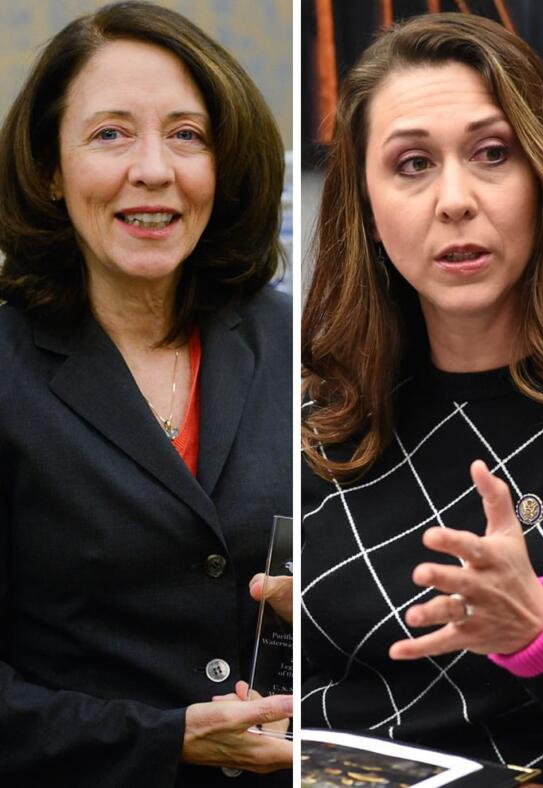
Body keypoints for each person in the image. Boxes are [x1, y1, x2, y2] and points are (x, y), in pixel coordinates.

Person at [0, 2, 292, 786]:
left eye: (187, 135)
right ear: (51, 170)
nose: (155, 169)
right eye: (110, 133)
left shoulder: (296, 341)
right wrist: (162, 739)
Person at [300, 13, 543, 786]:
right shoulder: (315, 426)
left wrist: (542, 631)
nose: (455, 200)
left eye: (492, 154)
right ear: (363, 204)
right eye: (413, 165)